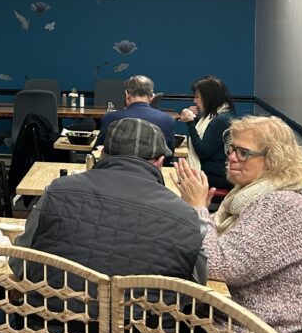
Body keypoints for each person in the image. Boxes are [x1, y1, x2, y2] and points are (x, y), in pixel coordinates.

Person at [174, 115, 302, 333]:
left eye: (243, 152)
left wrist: (198, 209)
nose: (231, 157)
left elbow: (218, 265)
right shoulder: (259, 197)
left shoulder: (280, 205)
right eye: (231, 149)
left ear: (274, 160)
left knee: (153, 326)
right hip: (247, 324)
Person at [14, 118, 205, 283]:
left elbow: (19, 263)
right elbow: (196, 287)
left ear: (103, 152)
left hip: (50, 322)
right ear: (160, 161)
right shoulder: (185, 215)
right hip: (141, 325)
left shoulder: (57, 191)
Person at [96, 75, 177, 159]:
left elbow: (99, 150)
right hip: (152, 170)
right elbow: (169, 156)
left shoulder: (109, 118)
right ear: (152, 96)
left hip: (115, 169)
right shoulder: (167, 120)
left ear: (127, 94)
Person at [177, 75, 236, 190]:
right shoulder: (216, 116)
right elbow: (205, 139)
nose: (195, 101)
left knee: (175, 175)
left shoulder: (222, 120)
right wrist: (194, 119)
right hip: (214, 172)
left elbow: (202, 152)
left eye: (197, 97)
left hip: (218, 176)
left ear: (208, 97)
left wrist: (190, 123)